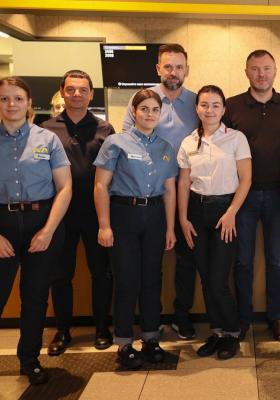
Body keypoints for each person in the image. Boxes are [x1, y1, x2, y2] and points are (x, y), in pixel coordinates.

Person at [94, 89, 178, 369]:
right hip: (123, 215)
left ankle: (151, 338)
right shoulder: (115, 142)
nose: (149, 114)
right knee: (127, 280)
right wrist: (104, 225)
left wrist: (170, 228)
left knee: (152, 280)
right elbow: (101, 185)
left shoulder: (166, 147)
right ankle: (124, 342)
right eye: (144, 109)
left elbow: (169, 190)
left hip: (154, 216)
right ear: (134, 111)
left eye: (155, 110)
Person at [224, 49, 280, 342]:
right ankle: (243, 318)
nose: (261, 74)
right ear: (246, 72)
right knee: (243, 262)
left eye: (266, 68)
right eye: (255, 69)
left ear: (275, 71)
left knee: (276, 262)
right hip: (242, 196)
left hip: (279, 196)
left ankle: (275, 317)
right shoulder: (231, 106)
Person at [123, 43, 199, 340]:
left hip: (190, 193)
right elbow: (128, 141)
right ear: (158, 69)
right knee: (149, 264)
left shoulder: (196, 102)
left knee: (186, 259)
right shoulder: (143, 100)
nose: (173, 72)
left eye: (179, 67)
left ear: (187, 70)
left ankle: (182, 316)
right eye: (168, 66)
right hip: (152, 195)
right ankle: (149, 322)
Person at [0, 76, 72, 384]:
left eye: (18, 98)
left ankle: (29, 359)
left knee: (35, 297)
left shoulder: (47, 139)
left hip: (42, 222)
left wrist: (48, 231)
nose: (11, 104)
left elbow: (65, 187)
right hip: (2, 225)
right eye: (4, 98)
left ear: (29, 103)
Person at [42, 70, 115, 356]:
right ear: (62, 91)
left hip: (96, 211)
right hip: (60, 212)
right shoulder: (46, 129)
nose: (76, 95)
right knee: (60, 274)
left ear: (91, 94)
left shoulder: (104, 129)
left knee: (101, 272)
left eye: (83, 90)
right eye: (71, 89)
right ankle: (63, 331)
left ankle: (102, 328)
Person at [177, 85, 251, 359]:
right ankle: (217, 332)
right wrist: (183, 218)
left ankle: (232, 332)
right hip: (196, 211)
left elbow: (246, 179)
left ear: (223, 109)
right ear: (197, 108)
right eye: (204, 105)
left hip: (225, 212)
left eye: (216, 105)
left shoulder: (236, 138)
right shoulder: (188, 142)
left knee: (219, 279)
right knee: (206, 278)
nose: (210, 110)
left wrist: (231, 212)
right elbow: (183, 183)